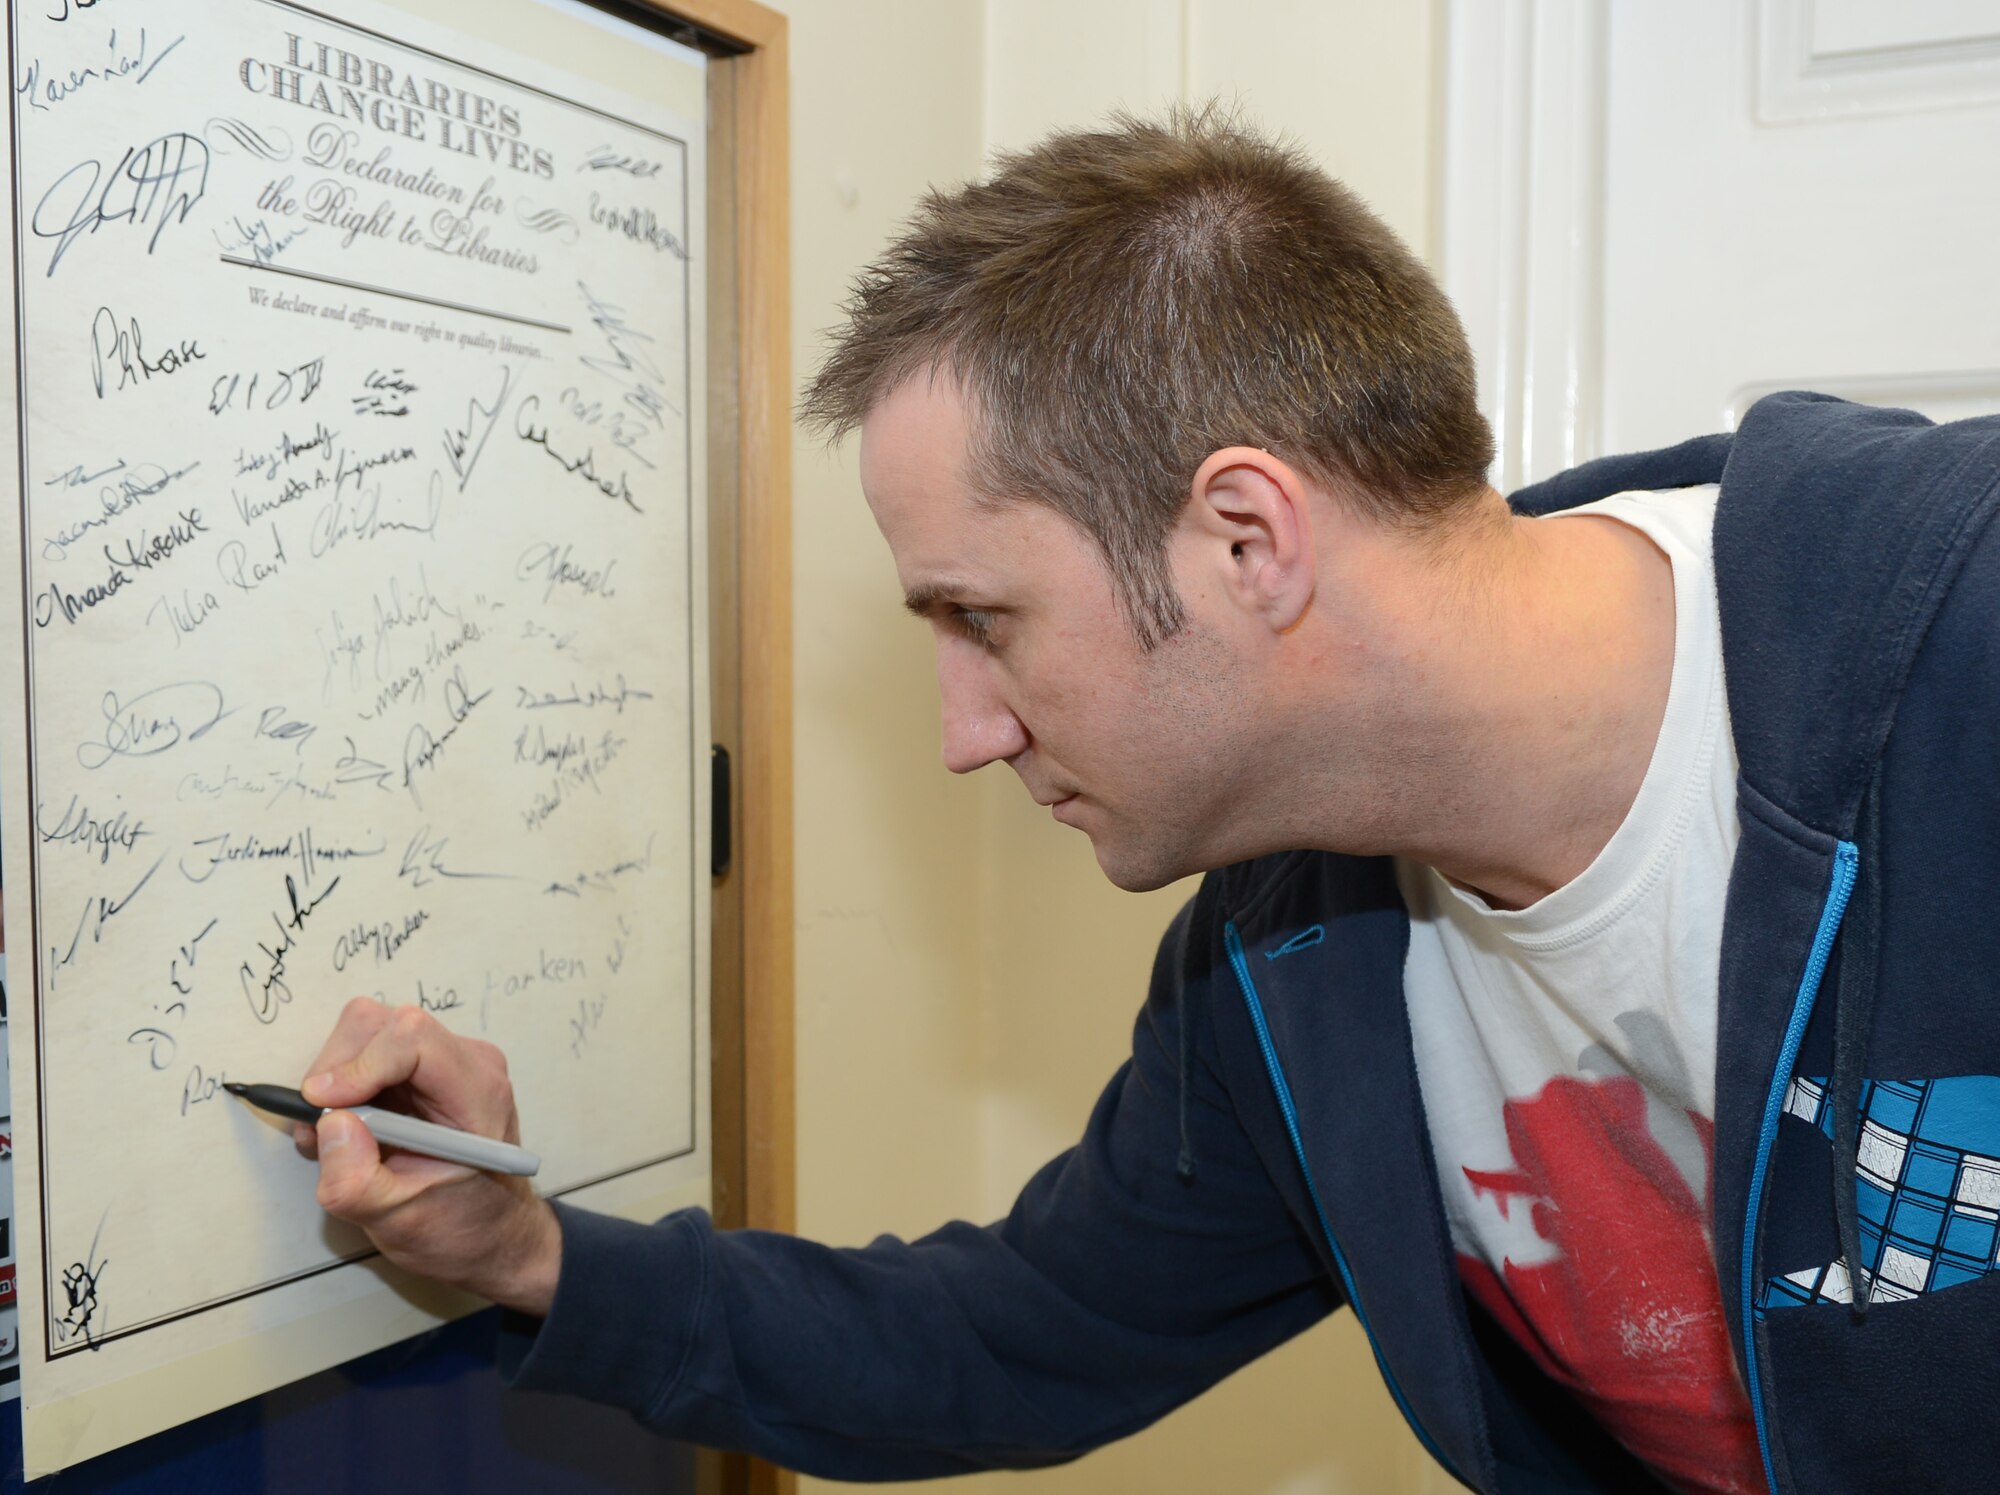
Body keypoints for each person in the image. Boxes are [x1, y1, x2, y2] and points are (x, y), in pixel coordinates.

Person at [296, 109, 2000, 1494]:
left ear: (1247, 538)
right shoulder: (1282, 954)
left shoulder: (1964, 642)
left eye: (983, 618)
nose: (963, 733)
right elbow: (1015, 1334)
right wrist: (525, 1253)